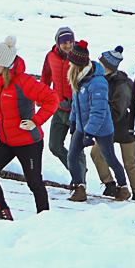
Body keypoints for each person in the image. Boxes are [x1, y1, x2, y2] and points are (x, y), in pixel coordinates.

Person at [0, 36, 60, 219]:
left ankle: (45, 219)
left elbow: (52, 99)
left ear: (5, 65)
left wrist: (36, 121)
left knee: (34, 183)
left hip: (28, 142)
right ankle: (2, 212)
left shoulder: (24, 82)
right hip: (6, 140)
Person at [64, 45, 129, 202]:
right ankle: (79, 188)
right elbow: (76, 103)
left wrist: (90, 133)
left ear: (78, 63)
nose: (69, 65)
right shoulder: (77, 77)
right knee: (72, 156)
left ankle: (123, 187)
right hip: (82, 126)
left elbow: (98, 112)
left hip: (101, 129)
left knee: (110, 158)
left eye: (72, 63)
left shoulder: (98, 82)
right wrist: (73, 120)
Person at [86, 47, 135, 202]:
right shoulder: (99, 79)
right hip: (107, 129)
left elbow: (116, 113)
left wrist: (97, 120)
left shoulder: (122, 86)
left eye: (101, 64)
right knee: (96, 154)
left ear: (109, 67)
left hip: (125, 129)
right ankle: (110, 184)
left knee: (129, 162)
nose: (98, 65)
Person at [42, 26, 79, 165]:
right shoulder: (51, 56)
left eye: (70, 42)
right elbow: (46, 76)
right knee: (54, 146)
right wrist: (42, 97)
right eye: (64, 43)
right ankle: (74, 169)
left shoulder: (79, 56)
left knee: (77, 149)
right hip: (58, 108)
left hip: (75, 110)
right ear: (58, 43)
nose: (68, 45)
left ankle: (79, 175)